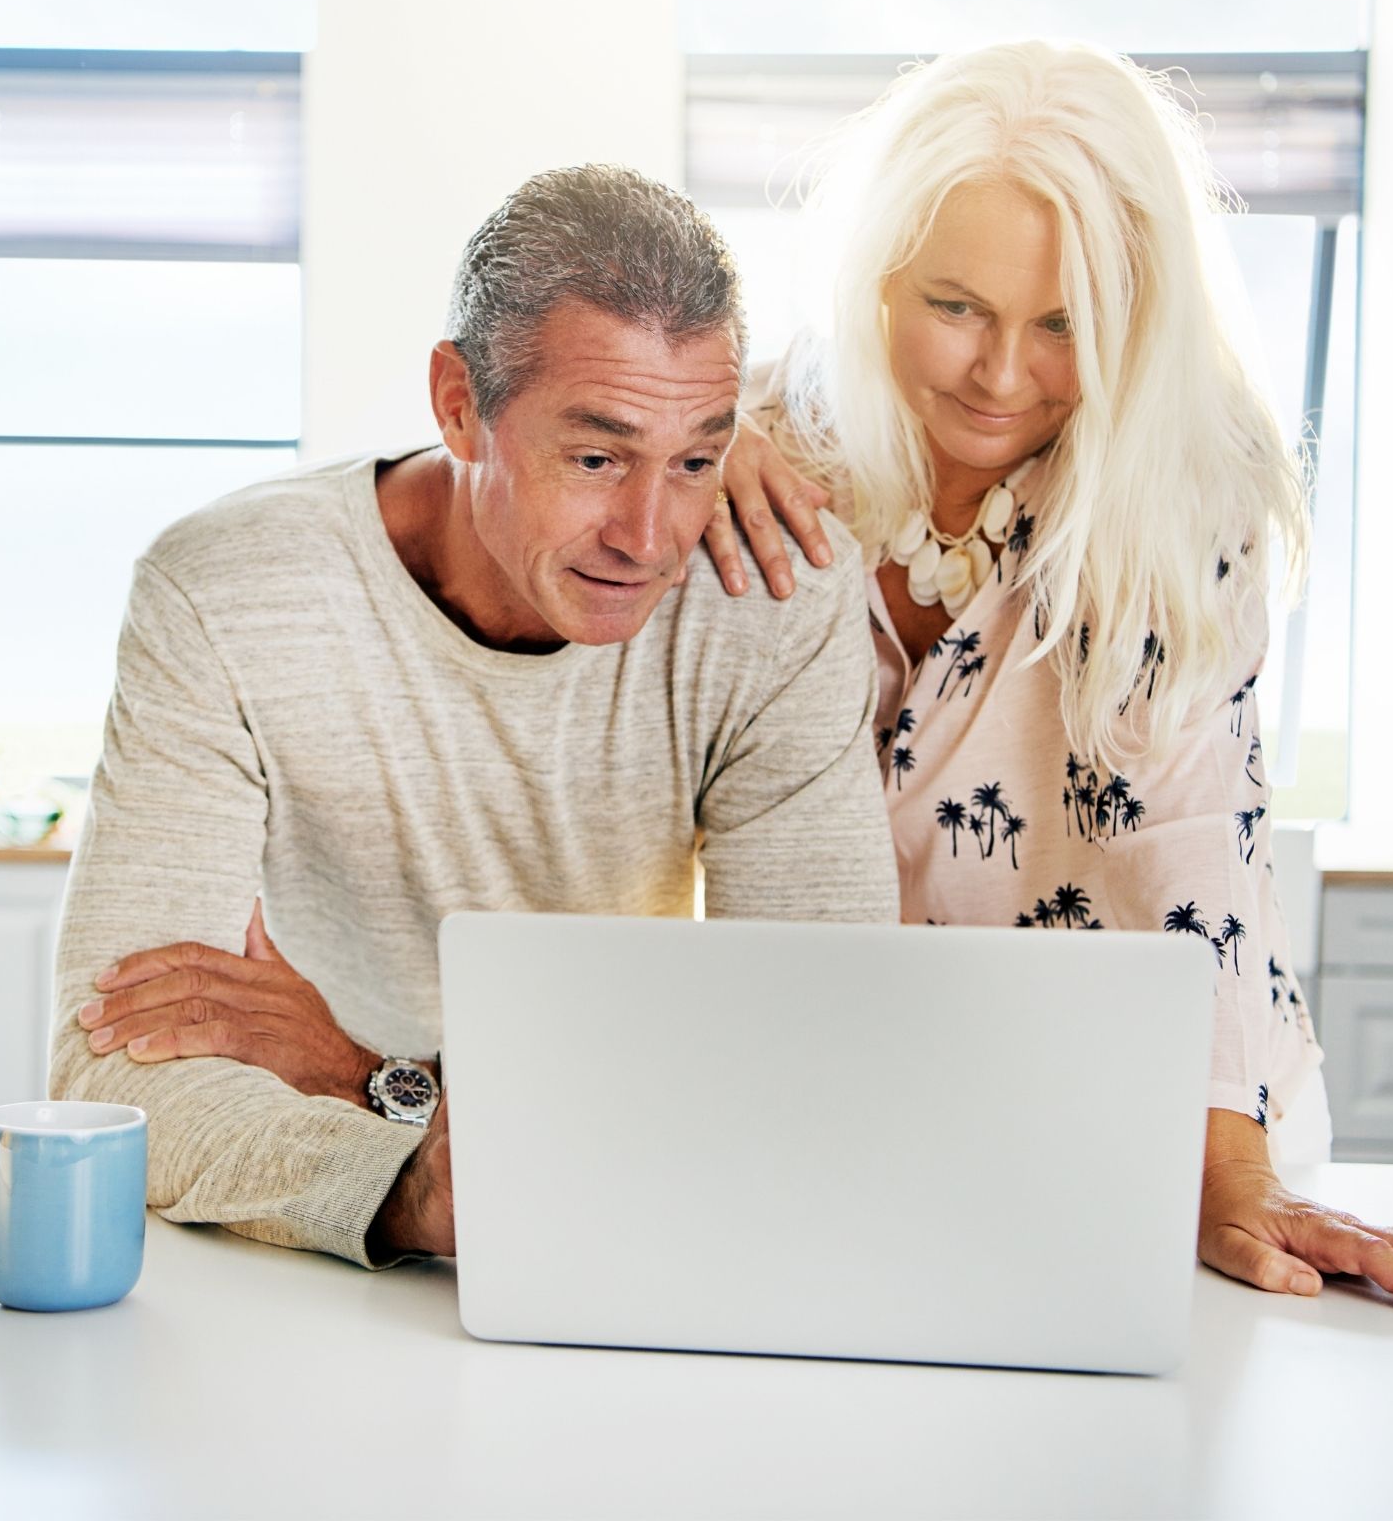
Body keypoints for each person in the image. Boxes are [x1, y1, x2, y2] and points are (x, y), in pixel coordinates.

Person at [705, 41, 1393, 1317]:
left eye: (1064, 323)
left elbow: (1193, 830)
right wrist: (677, 456)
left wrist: (1228, 1177)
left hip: (1167, 1112)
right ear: (876, 278)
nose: (1000, 374)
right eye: (954, 305)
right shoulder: (740, 442)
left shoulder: (1187, 477)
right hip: (845, 1098)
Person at [48, 164, 900, 1267]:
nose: (648, 535)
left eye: (693, 458)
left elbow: (823, 1053)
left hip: (626, 1246)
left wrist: (367, 1075)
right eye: (595, 458)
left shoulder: (768, 602)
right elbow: (111, 1074)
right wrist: (405, 1189)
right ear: (459, 404)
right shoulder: (226, 591)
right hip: (289, 1274)